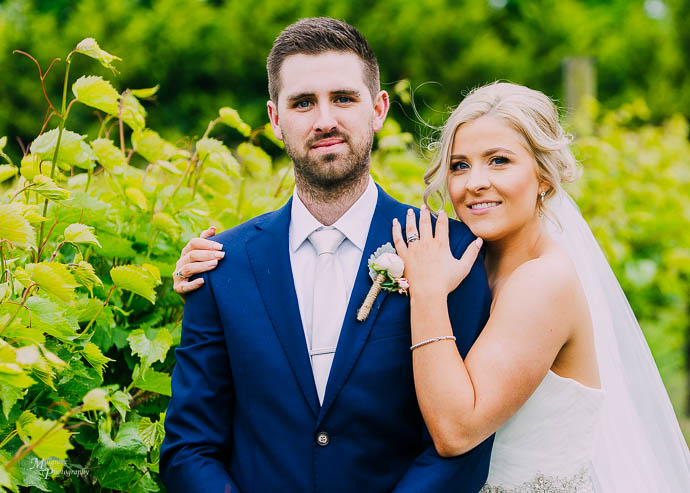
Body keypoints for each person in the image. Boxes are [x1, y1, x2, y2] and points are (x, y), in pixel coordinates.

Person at [178, 81, 690, 492]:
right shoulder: (470, 257)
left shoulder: (543, 283)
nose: (475, 183)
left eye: (500, 161)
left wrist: (425, 292)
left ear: (545, 178)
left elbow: (455, 430)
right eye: (460, 165)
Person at [159, 17, 494, 493]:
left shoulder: (450, 250)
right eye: (302, 103)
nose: (325, 120)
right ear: (276, 119)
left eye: (343, 98)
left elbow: (463, 447)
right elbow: (188, 449)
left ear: (377, 109)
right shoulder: (220, 266)